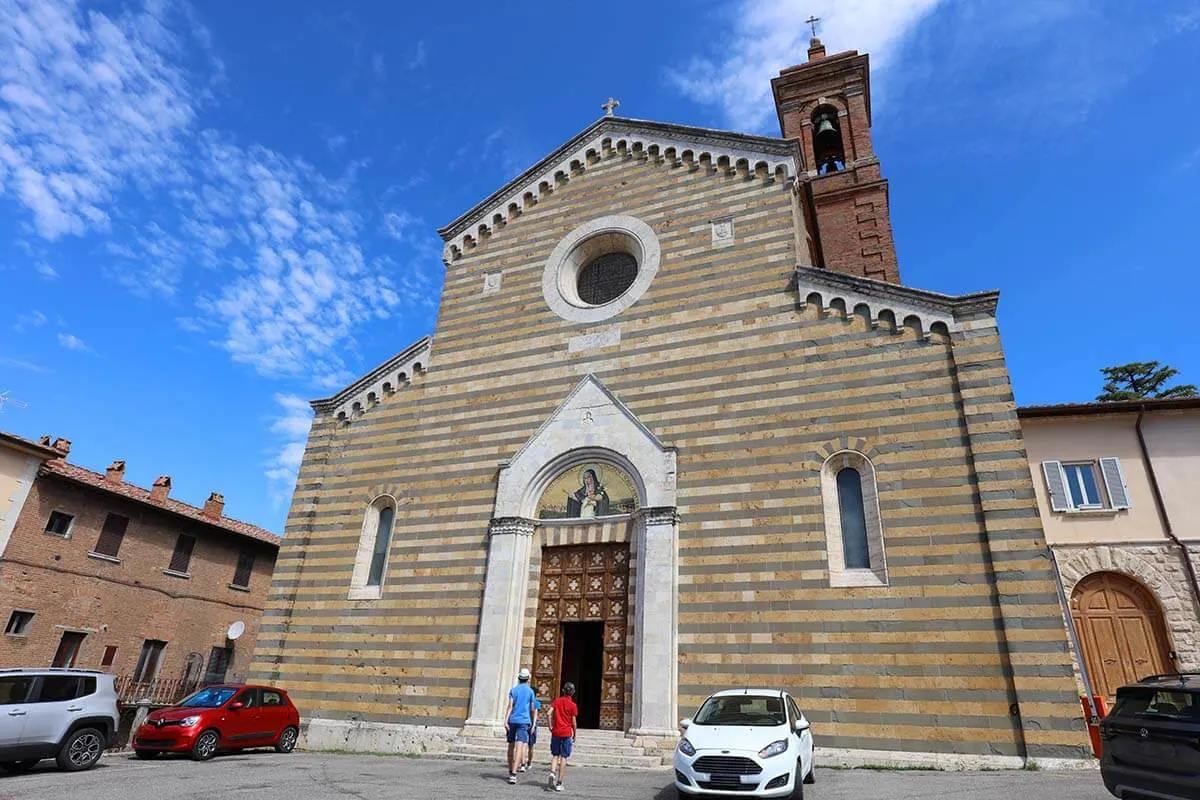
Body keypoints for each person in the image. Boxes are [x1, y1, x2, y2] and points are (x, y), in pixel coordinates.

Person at [504, 667, 536, 784]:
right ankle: (514, 773)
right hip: (524, 721)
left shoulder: (514, 690)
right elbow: (533, 709)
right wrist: (533, 722)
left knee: (511, 746)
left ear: (519, 678)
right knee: (520, 746)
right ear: (528, 679)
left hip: (512, 720)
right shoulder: (530, 692)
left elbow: (510, 706)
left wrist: (505, 720)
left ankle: (510, 769)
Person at [545, 682, 578, 792]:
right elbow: (573, 721)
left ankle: (552, 773)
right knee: (564, 757)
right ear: (572, 692)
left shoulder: (557, 701)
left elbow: (549, 713)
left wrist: (550, 726)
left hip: (556, 732)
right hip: (566, 733)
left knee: (555, 755)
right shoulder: (573, 705)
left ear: (563, 690)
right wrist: (575, 734)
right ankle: (559, 783)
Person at [522, 694, 541, 771]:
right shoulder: (536, 702)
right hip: (531, 725)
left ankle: (523, 763)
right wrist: (533, 725)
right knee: (531, 746)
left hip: (524, 723)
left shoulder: (525, 702)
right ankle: (529, 762)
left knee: (523, 745)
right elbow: (535, 714)